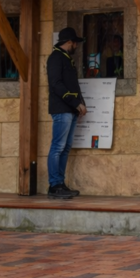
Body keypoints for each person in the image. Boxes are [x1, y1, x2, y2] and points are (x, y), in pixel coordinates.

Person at [47, 27, 87, 199]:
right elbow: (56, 84)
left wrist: (80, 103)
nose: (76, 46)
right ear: (69, 42)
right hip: (62, 109)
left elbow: (72, 85)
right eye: (75, 42)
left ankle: (60, 184)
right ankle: (54, 185)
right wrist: (75, 102)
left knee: (65, 148)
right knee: (57, 147)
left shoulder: (65, 58)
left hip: (69, 109)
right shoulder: (56, 57)